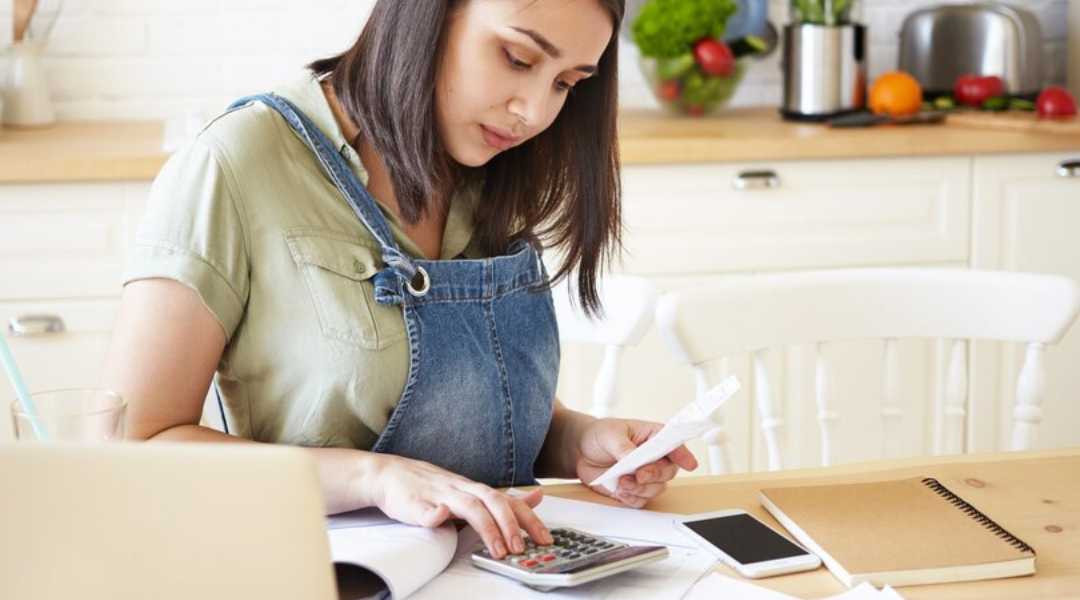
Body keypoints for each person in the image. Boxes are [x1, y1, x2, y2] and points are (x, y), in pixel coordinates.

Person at [102, 0, 698, 560]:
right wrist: (372, 477)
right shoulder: (235, 163)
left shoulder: (488, 164)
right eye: (517, 59)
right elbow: (136, 449)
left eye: (566, 83)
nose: (534, 112)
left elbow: (459, 411)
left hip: (495, 573)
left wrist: (575, 440)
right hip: (315, 572)